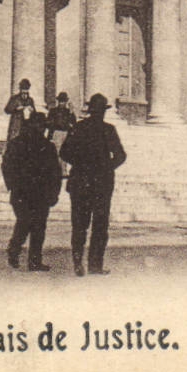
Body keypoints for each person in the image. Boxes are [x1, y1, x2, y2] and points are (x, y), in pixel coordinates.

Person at [59, 93, 126, 276]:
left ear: (90, 110)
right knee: (100, 225)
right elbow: (121, 156)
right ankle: (95, 265)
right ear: (103, 112)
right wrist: (106, 168)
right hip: (101, 185)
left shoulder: (79, 128)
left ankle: (78, 263)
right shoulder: (109, 130)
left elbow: (64, 153)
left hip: (80, 182)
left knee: (79, 225)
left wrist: (80, 164)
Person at [1, 105, 62, 271]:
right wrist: (12, 185)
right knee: (26, 223)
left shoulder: (47, 146)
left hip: (38, 194)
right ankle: (15, 251)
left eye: (43, 127)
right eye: (40, 126)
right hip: (24, 192)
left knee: (38, 226)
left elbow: (55, 173)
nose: (42, 130)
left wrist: (54, 193)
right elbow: (7, 166)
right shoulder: (18, 144)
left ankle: (32, 259)